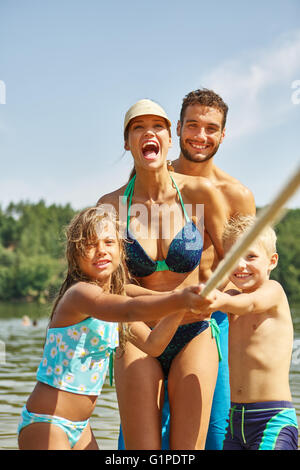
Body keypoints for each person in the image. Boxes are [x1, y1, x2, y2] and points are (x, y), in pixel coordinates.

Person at [17, 206, 212, 450]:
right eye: (90, 244)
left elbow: (154, 345)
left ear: (121, 249)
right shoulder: (80, 294)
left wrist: (180, 308)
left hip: (81, 428)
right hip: (48, 422)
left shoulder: (115, 295)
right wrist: (179, 299)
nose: (101, 250)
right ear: (75, 255)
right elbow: (130, 309)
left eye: (109, 242)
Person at [98, 99, 227, 449]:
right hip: (138, 334)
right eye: (138, 127)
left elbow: (234, 264)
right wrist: (172, 300)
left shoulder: (200, 194)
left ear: (170, 140)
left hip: (193, 330)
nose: (148, 132)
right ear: (127, 143)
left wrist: (214, 295)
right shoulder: (110, 205)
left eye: (157, 126)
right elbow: (108, 284)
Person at [169, 88, 256, 450]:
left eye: (210, 128)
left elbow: (249, 275)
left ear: (223, 134)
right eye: (192, 125)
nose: (200, 136)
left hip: (212, 323)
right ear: (177, 128)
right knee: (142, 440)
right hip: (150, 318)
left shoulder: (237, 195)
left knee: (214, 435)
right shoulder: (151, 179)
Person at [201, 215, 299, 450]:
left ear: (272, 261)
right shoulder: (231, 298)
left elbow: (251, 304)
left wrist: (217, 298)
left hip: (272, 419)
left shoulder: (272, 292)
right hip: (235, 423)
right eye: (233, 257)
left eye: (251, 256)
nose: (241, 265)